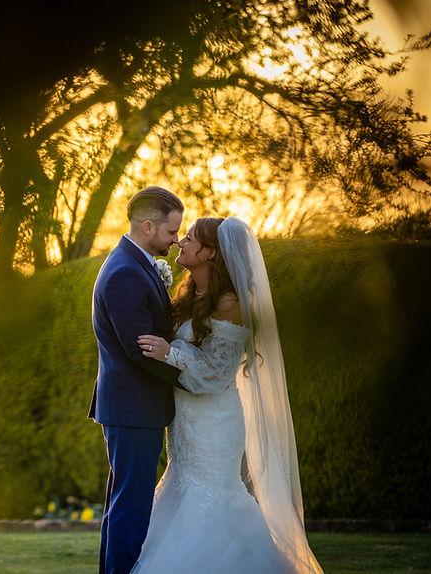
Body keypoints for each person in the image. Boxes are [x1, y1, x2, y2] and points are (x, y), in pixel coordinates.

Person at [133, 216, 323, 573]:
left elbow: (217, 375)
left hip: (215, 422)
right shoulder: (190, 295)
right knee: (182, 486)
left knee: (212, 497)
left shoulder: (230, 303)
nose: (180, 242)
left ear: (211, 253)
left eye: (189, 237)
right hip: (186, 421)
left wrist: (169, 353)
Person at [88, 186, 186, 574]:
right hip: (133, 408)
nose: (175, 240)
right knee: (132, 505)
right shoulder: (125, 273)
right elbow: (139, 348)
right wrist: (189, 377)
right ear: (148, 226)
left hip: (131, 407)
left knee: (123, 503)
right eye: (171, 232)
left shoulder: (134, 263)